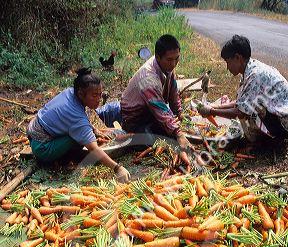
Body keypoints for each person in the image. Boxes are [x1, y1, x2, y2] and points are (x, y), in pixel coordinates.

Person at [27, 68, 130, 183]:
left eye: (100, 94)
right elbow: (93, 148)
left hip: (35, 131)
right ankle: (58, 159)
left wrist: (93, 129)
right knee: (78, 139)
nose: (99, 100)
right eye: (94, 95)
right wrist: (117, 168)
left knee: (81, 134)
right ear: (81, 93)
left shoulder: (70, 92)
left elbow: (74, 120)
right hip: (42, 147)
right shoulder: (77, 118)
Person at [198, 35, 288, 143]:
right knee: (249, 106)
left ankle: (268, 141)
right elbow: (242, 103)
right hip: (278, 117)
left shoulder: (255, 75)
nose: (227, 67)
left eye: (228, 62)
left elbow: (240, 112)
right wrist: (216, 106)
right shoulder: (250, 70)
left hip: (283, 123)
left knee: (251, 112)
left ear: (237, 57)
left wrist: (212, 111)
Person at [120, 34, 191, 164]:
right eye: (170, 60)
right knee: (153, 142)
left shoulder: (166, 65)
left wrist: (179, 112)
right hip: (136, 119)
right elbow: (160, 108)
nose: (174, 64)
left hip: (152, 113)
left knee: (171, 132)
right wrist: (179, 133)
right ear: (157, 56)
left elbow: (173, 90)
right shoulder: (148, 78)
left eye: (177, 59)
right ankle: (134, 137)